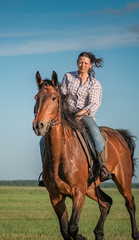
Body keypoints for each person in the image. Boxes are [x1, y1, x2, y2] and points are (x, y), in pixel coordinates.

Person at [38, 52, 111, 186]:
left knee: (96, 135)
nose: (82, 65)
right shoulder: (68, 76)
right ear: (77, 62)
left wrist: (82, 113)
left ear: (90, 65)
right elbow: (62, 94)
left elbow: (94, 103)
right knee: (43, 140)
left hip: (85, 116)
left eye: (85, 63)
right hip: (67, 115)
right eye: (80, 62)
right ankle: (46, 172)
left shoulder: (95, 84)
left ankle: (102, 167)